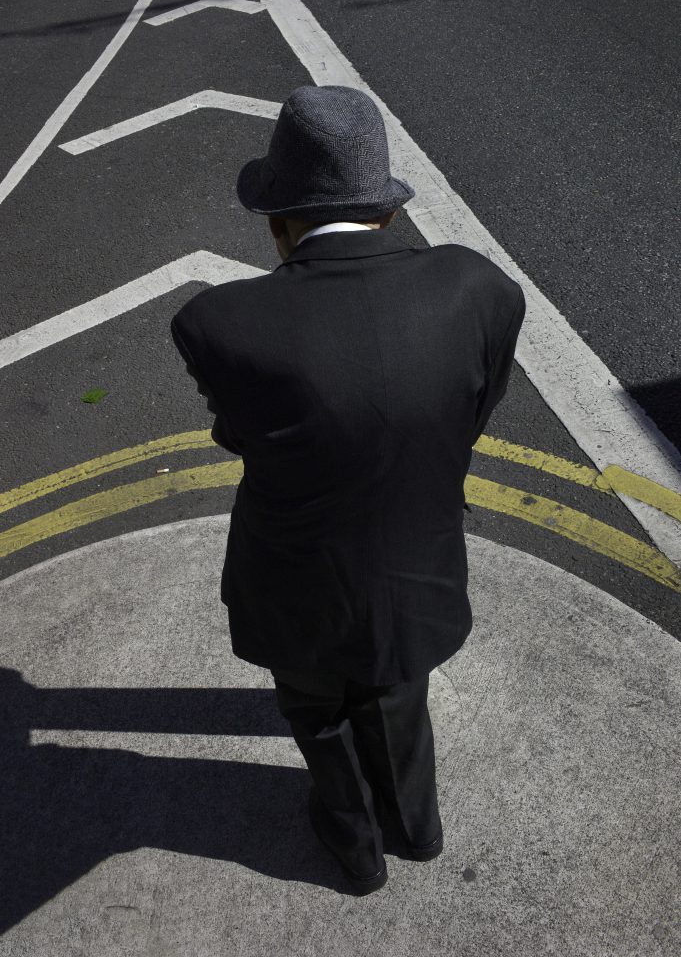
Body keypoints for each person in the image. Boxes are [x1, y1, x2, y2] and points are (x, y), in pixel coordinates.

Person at [171, 85, 525, 895]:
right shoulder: (480, 288)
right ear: (388, 212)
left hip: (293, 575)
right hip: (416, 565)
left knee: (314, 709)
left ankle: (353, 848)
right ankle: (415, 826)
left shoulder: (213, 322)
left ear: (275, 221)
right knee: (397, 690)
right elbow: (471, 411)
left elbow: (240, 434)